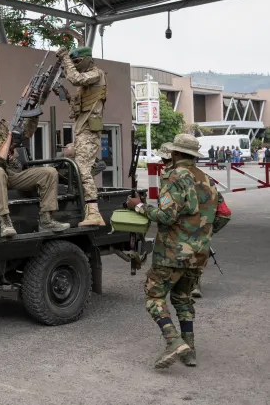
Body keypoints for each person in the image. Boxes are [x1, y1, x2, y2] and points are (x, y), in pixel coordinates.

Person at [126, 134, 218, 369]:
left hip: (172, 252)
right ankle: (190, 350)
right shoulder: (207, 179)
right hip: (198, 254)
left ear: (176, 153)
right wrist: (200, 237)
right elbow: (223, 214)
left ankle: (173, 341)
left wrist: (138, 206)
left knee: (154, 297)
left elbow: (167, 216)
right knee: (183, 298)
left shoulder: (175, 176)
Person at [0, 94, 69, 239]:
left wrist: (32, 110)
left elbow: (27, 133)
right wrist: (10, 140)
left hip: (10, 172)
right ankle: (4, 221)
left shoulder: (3, 126)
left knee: (49, 172)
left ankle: (46, 219)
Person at [56, 46, 107, 227]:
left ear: (88, 59)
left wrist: (65, 58)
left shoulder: (96, 74)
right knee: (77, 166)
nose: (75, 65)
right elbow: (76, 111)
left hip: (89, 132)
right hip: (82, 130)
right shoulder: (85, 88)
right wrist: (67, 96)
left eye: (77, 61)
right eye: (73, 62)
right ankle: (88, 207)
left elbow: (75, 78)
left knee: (83, 167)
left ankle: (93, 212)